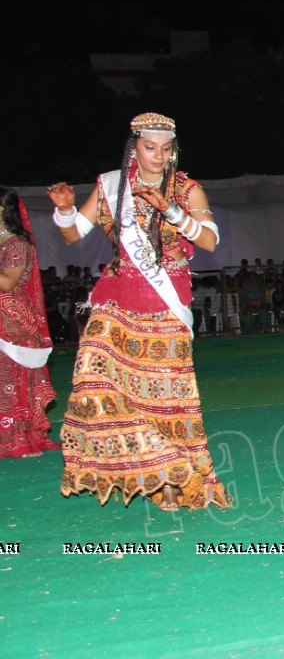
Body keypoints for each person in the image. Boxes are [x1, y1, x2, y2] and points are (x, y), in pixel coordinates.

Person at [47, 112, 231, 511]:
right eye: (150, 148)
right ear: (135, 147)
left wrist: (172, 211)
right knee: (92, 376)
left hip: (165, 302)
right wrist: (64, 211)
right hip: (116, 297)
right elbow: (74, 233)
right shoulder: (111, 186)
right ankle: (138, 466)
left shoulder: (186, 189)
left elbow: (212, 242)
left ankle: (168, 479)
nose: (159, 156)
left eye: (166, 149)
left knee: (163, 398)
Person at [0, 187, 60, 458]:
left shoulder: (17, 244)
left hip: (13, 323)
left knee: (14, 378)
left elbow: (8, 282)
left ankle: (21, 437)